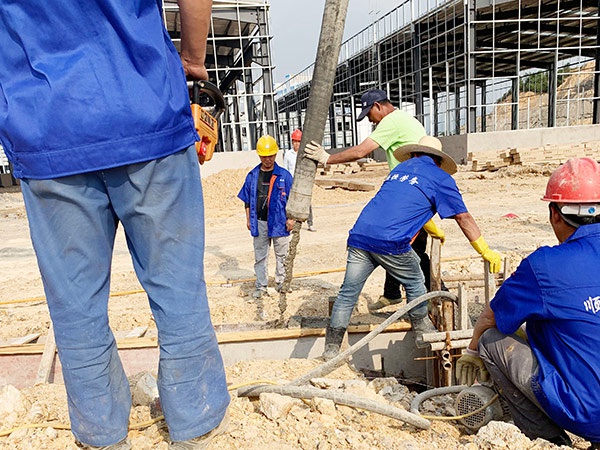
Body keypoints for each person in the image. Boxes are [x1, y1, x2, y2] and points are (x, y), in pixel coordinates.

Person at [0, 1, 230, 449]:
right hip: (147, 115)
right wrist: (193, 60)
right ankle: (194, 423)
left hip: (47, 132)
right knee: (177, 287)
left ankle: (102, 435)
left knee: (75, 303)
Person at [456, 157, 600, 448]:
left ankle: (549, 441)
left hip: (590, 413)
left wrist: (472, 350)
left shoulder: (545, 266)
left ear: (554, 214)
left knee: (492, 341)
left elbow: (489, 319)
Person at [321, 136, 501, 360]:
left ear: (415, 154)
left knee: (347, 295)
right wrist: (484, 250)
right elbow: (463, 217)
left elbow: (406, 205)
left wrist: (432, 228)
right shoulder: (440, 178)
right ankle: (422, 329)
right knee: (416, 280)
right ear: (438, 160)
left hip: (360, 235)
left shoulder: (400, 170)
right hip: (390, 241)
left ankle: (330, 349)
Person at [303, 88, 446, 313]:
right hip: (410, 194)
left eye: (370, 114)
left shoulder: (390, 122)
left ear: (379, 106)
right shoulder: (406, 119)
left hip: (407, 198)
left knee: (410, 251)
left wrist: (327, 158)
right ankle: (392, 294)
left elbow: (362, 151)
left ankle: (432, 296)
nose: (370, 120)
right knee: (394, 240)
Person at [238, 135, 295, 299]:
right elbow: (247, 200)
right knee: (260, 257)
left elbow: (293, 200)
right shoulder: (252, 176)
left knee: (282, 256)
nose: (267, 159)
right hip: (260, 222)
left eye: (270, 156)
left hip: (280, 222)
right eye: (264, 156)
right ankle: (261, 286)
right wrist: (249, 219)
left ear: (275, 155)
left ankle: (282, 284)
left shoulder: (285, 176)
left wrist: (291, 218)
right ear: (259, 155)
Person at [283, 128, 316, 231]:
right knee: (289, 203)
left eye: (298, 141)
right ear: (292, 142)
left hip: (302, 182)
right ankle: (289, 223)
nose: (296, 144)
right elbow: (285, 169)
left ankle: (310, 223)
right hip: (291, 182)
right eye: (295, 141)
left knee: (306, 203)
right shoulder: (288, 155)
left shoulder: (304, 154)